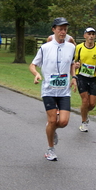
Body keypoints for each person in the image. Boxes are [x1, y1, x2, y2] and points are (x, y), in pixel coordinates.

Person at [29, 17, 77, 161]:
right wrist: (37, 74)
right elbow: (32, 65)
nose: (63, 32)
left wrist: (74, 77)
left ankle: (52, 129)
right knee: (52, 120)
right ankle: (50, 149)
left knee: (63, 122)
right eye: (60, 29)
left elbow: (72, 64)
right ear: (53, 30)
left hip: (64, 91)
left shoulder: (71, 47)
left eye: (65, 29)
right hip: (49, 90)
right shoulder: (45, 48)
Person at [74, 27, 96, 132]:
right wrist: (76, 65)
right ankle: (84, 122)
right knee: (85, 101)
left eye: (93, 34)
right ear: (85, 36)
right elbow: (74, 61)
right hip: (81, 76)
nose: (91, 36)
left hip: (93, 78)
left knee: (92, 104)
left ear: (95, 36)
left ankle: (84, 112)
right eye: (89, 34)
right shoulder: (79, 47)